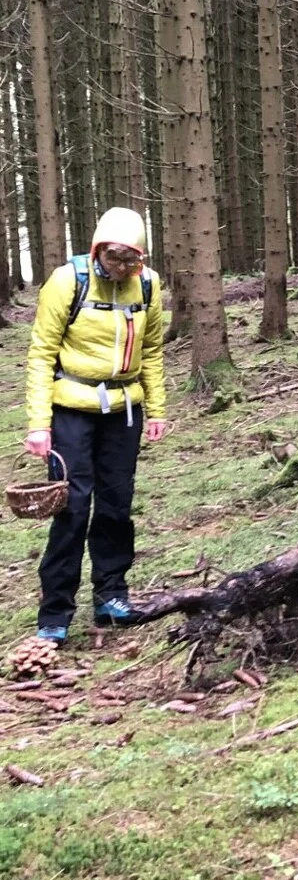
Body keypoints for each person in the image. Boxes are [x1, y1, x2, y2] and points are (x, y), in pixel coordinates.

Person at [25, 208, 166, 643]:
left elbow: (154, 349)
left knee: (116, 504)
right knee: (71, 507)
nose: (121, 268)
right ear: (98, 249)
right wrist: (38, 424)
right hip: (71, 409)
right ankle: (55, 614)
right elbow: (41, 352)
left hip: (124, 410)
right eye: (114, 258)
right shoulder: (68, 281)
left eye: (131, 260)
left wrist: (157, 410)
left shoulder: (147, 284)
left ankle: (111, 595)